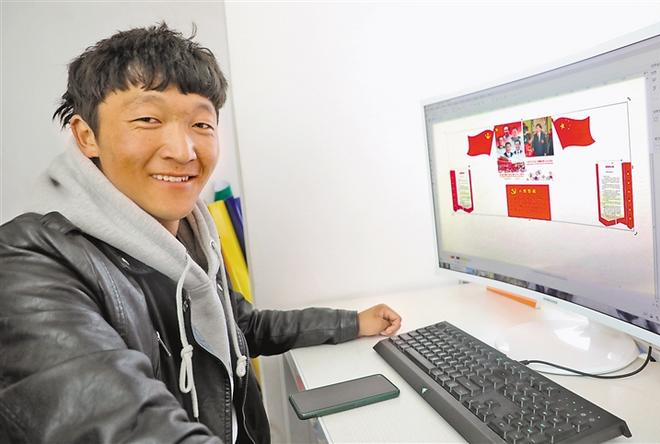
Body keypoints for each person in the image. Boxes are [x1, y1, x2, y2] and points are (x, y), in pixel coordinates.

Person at [0, 24, 401, 444]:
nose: (183, 151)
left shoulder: (190, 235)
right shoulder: (28, 265)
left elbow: (243, 325)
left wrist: (351, 323)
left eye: (202, 124)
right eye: (148, 119)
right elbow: (122, 428)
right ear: (87, 136)